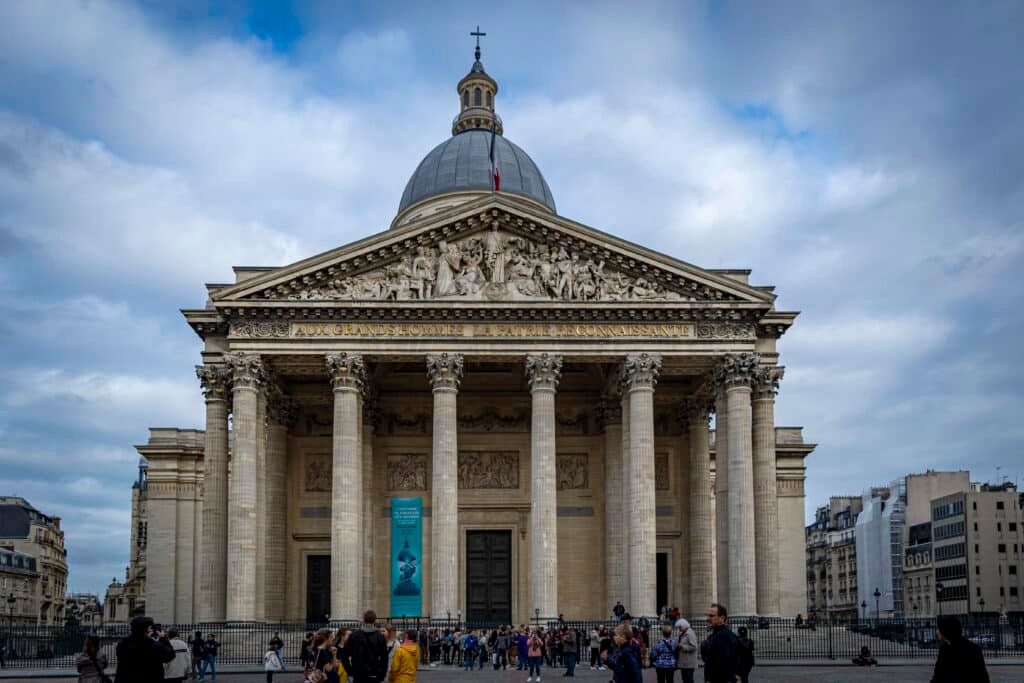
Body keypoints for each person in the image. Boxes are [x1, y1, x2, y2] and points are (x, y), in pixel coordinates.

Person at [114, 615, 175, 682]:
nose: (151, 630)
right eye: (149, 628)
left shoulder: (122, 644)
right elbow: (170, 654)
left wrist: (145, 636)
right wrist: (163, 638)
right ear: (145, 630)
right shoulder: (153, 645)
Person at [931, 615, 990, 683]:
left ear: (945, 630)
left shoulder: (972, 649)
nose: (937, 631)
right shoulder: (944, 648)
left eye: (938, 629)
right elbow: (938, 675)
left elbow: (982, 677)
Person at [343, 611, 389, 683]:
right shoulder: (380, 636)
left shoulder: (354, 636)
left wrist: (350, 671)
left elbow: (344, 656)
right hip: (374, 674)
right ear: (375, 620)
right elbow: (384, 658)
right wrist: (382, 675)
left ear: (363, 620)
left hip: (358, 674)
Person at [699, 603, 738, 683]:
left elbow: (723, 663)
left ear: (722, 618)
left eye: (711, 616)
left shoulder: (723, 636)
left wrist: (712, 680)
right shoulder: (718, 634)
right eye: (708, 615)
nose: (707, 618)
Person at [675, 619, 698, 683]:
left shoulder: (690, 633)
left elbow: (694, 647)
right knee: (685, 679)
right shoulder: (683, 633)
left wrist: (682, 646)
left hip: (689, 662)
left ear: (684, 626)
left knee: (689, 680)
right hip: (684, 662)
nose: (679, 629)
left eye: (680, 627)